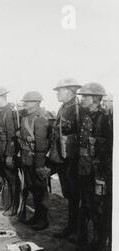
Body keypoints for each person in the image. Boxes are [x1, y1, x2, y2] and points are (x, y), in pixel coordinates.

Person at [76, 83, 111, 251]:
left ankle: (100, 246)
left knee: (99, 208)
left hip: (98, 171)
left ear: (95, 99)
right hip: (86, 168)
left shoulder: (104, 118)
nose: (82, 99)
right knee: (88, 205)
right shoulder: (87, 115)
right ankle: (91, 242)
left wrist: (102, 172)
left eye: (85, 97)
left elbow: (108, 148)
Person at [49, 78, 83, 242]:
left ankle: (76, 229)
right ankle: (72, 227)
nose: (57, 93)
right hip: (63, 157)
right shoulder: (64, 107)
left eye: (60, 90)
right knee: (69, 193)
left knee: (76, 194)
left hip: (73, 158)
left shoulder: (78, 108)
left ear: (69, 91)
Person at [17, 91, 50, 230]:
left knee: (40, 190)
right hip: (26, 159)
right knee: (32, 188)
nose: (25, 103)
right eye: (25, 101)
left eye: (28, 101)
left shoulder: (39, 119)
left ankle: (43, 219)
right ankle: (37, 216)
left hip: (36, 160)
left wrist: (39, 165)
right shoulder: (26, 117)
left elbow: (41, 145)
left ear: (37, 103)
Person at [0, 87, 21, 216]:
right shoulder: (1, 112)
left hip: (7, 153)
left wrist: (9, 155)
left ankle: (14, 207)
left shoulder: (9, 113)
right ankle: (9, 203)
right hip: (0, 152)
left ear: (1, 98)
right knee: (7, 180)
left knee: (13, 181)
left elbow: (11, 136)